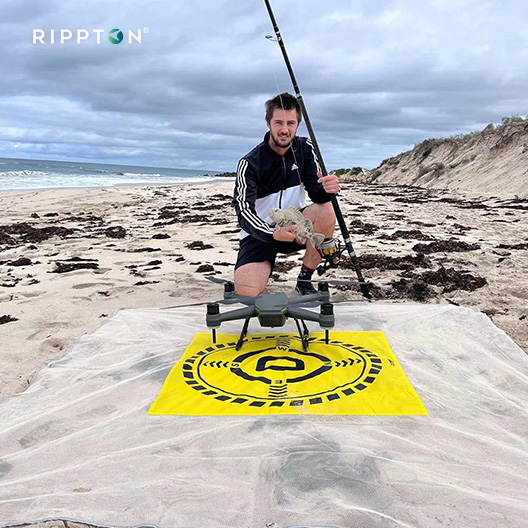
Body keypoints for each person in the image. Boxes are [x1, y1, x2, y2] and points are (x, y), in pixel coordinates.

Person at [233, 92, 339, 296]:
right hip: (260, 234)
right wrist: (271, 234)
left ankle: (305, 279)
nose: (284, 130)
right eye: (278, 122)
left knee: (326, 210)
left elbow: (317, 194)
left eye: (290, 123)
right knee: (246, 292)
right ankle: (261, 267)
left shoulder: (306, 149)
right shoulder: (250, 163)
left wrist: (328, 189)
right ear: (268, 123)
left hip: (295, 227)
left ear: (297, 124)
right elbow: (243, 211)